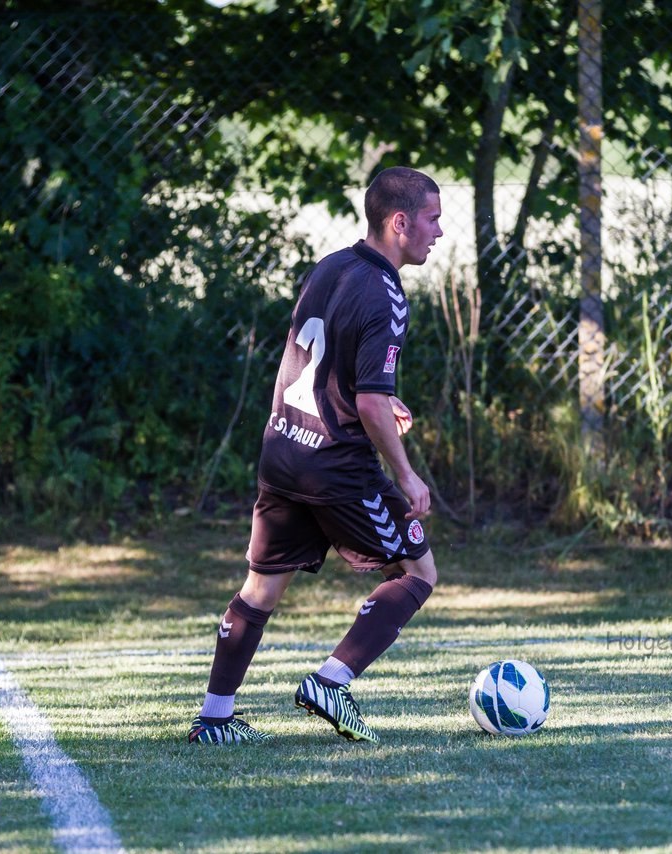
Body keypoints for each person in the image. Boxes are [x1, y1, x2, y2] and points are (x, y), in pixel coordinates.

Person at [188, 166, 445, 745]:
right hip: (336, 464)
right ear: (399, 222)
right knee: (417, 571)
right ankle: (333, 680)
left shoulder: (330, 267)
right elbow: (371, 403)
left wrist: (375, 397)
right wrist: (405, 474)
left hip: (284, 449)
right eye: (432, 219)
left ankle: (214, 720)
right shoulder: (386, 293)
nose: (438, 232)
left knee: (260, 589)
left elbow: (320, 363)